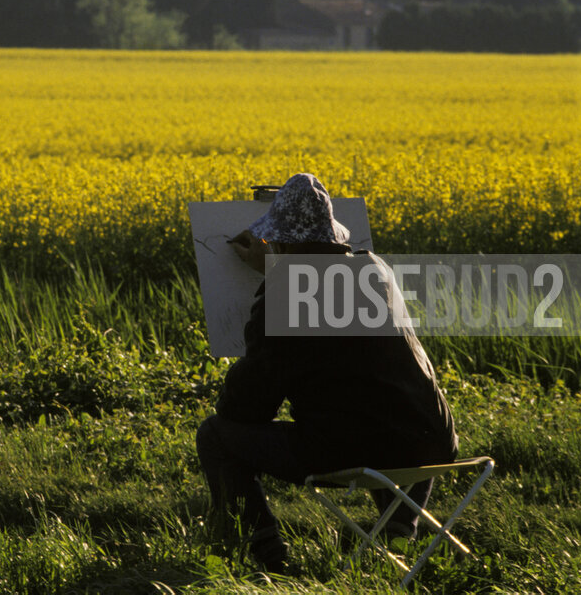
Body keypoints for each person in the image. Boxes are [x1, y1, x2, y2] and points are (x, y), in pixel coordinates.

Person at [195, 173, 458, 573]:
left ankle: (271, 562)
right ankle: (399, 527)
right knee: (394, 411)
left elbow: (248, 405)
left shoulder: (285, 296)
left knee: (216, 436)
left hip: (353, 450)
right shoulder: (378, 271)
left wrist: (276, 284)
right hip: (433, 444)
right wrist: (280, 274)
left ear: (279, 242)